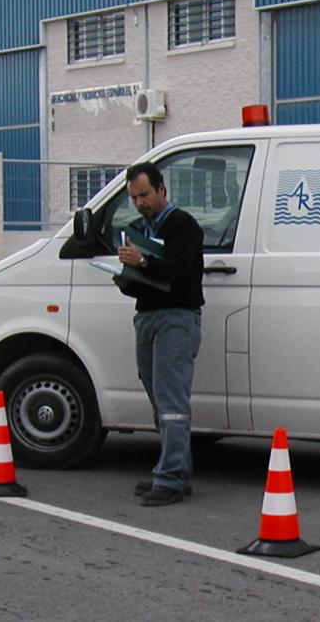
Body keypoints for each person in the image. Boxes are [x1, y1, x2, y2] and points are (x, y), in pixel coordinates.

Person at [113, 163, 205, 507]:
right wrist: (125, 277)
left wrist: (143, 263)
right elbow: (143, 282)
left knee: (171, 400)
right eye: (134, 197)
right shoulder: (139, 229)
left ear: (162, 190)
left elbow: (181, 272)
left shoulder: (183, 226)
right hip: (147, 316)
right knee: (159, 398)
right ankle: (173, 470)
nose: (140, 203)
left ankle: (170, 479)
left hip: (176, 318)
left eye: (145, 195)